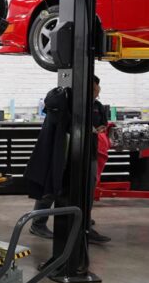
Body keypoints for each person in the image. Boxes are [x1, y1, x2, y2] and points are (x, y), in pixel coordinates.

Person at [29, 75, 111, 244]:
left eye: (98, 91)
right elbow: (60, 120)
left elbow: (103, 123)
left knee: (87, 188)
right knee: (52, 186)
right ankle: (37, 224)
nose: (96, 93)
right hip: (64, 152)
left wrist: (99, 129)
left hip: (89, 153)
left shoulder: (97, 106)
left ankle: (85, 225)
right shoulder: (65, 100)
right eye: (94, 90)